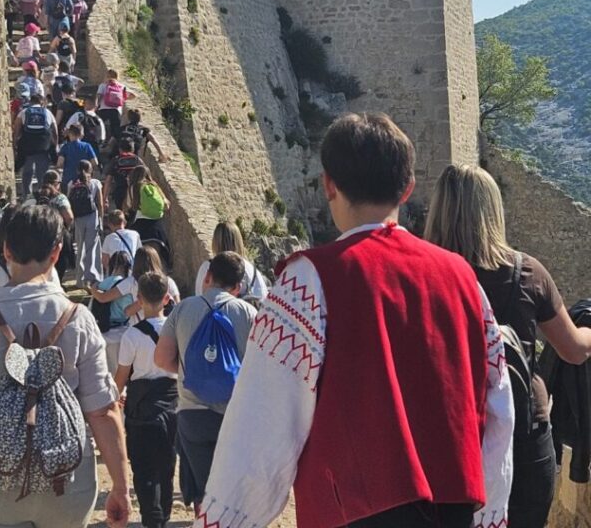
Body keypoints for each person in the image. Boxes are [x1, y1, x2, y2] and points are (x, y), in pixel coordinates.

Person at [198, 114, 514, 528]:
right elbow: (497, 406)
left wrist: (227, 517)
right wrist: (490, 510)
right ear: (408, 188)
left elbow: (264, 419)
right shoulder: (462, 279)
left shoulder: (309, 281)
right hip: (454, 512)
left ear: (329, 184)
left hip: (354, 513)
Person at [0, 206, 131, 528]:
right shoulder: (79, 320)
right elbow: (103, 411)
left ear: (6, 250)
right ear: (56, 252)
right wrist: (120, 486)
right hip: (64, 480)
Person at [425, 163, 591, 528]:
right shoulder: (527, 273)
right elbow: (574, 350)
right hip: (522, 440)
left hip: (445, 442)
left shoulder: (419, 276)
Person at [154, 251, 256, 512]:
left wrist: (190, 373)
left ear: (208, 277)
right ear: (238, 287)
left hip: (192, 413)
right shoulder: (248, 313)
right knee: (233, 493)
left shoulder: (183, 308)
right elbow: (259, 368)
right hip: (234, 415)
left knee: (204, 492)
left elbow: (161, 358)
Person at [115, 272, 178, 528]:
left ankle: (152, 519)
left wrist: (116, 397)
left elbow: (121, 377)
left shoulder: (131, 336)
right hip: (172, 405)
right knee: (167, 466)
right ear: (167, 298)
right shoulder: (176, 331)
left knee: (143, 469)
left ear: (139, 299)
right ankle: (163, 516)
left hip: (141, 408)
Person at [194, 222, 268, 305]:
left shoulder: (208, 267)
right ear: (239, 241)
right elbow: (263, 297)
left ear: (215, 242)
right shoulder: (251, 269)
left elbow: (199, 299)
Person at [91, 252, 135, 374]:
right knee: (120, 374)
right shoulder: (125, 286)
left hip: (102, 332)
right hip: (121, 334)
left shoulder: (101, 284)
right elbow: (127, 311)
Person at [14, 91, 58, 198]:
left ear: (30, 102)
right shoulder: (47, 112)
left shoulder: (24, 112)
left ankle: (26, 196)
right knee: (42, 174)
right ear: (42, 102)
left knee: (27, 173)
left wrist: (15, 143)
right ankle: (42, 195)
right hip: (44, 147)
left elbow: (16, 129)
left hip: (27, 147)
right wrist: (55, 145)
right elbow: (55, 131)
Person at [32, 170, 75, 280]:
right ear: (56, 183)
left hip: (38, 236)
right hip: (57, 234)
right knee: (60, 262)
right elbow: (69, 217)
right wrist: (66, 227)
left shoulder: (33, 196)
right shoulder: (60, 198)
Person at [70, 160, 104, 288]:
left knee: (79, 248)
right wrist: (101, 219)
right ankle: (94, 277)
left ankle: (80, 280)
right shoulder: (95, 183)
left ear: (77, 170)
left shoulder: (72, 184)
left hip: (78, 219)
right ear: (91, 170)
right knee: (93, 248)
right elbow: (100, 203)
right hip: (92, 217)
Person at [128, 169, 172, 269]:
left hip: (140, 224)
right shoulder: (154, 186)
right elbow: (167, 205)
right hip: (156, 225)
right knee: (162, 253)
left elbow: (129, 205)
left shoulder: (133, 187)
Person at [104, 137, 147, 213]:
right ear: (133, 149)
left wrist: (105, 198)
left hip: (120, 192)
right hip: (136, 192)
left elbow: (108, 181)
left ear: (120, 149)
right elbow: (146, 174)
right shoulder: (137, 160)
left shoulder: (116, 160)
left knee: (122, 214)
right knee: (135, 213)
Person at [57, 123, 98, 191]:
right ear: (81, 134)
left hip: (68, 181)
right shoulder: (87, 146)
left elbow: (59, 164)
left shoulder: (65, 147)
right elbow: (95, 163)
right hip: (84, 181)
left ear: (70, 134)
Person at [97, 69, 135, 141]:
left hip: (103, 109)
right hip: (116, 111)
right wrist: (123, 99)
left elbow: (99, 96)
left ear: (107, 76)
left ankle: (101, 141)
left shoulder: (103, 85)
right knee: (115, 130)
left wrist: (96, 105)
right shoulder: (121, 86)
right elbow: (133, 95)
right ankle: (114, 144)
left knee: (101, 126)